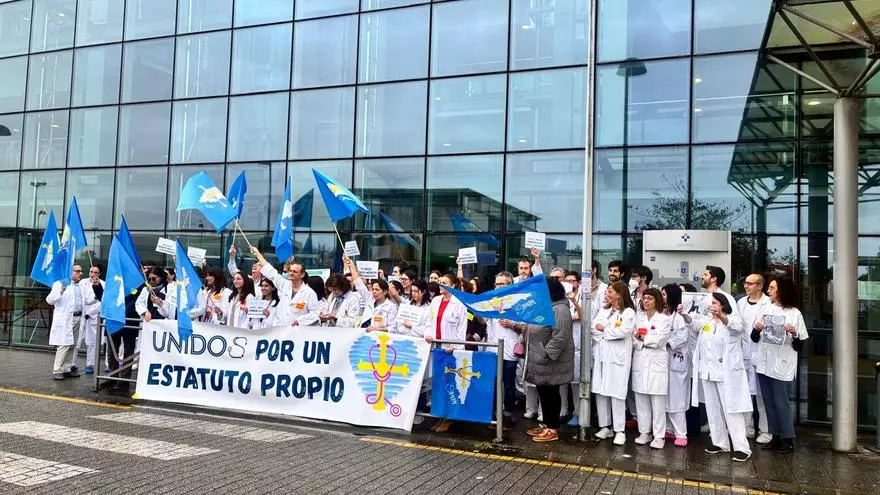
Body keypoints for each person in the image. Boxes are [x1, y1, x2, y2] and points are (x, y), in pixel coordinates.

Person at [683, 292, 752, 462]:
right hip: (707, 372)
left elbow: (736, 327)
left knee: (731, 410)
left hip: (725, 374)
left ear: (722, 304)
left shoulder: (732, 319)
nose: (711, 306)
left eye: (714, 302)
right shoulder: (707, 320)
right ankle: (720, 442)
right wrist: (684, 315)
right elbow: (695, 324)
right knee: (713, 409)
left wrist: (722, 316)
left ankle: (742, 447)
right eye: (710, 303)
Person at [751, 276, 809, 454]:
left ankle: (788, 438)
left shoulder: (795, 313)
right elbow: (753, 338)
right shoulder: (765, 309)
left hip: (782, 364)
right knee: (768, 401)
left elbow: (800, 346)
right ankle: (775, 436)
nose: (768, 290)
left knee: (781, 402)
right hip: (764, 362)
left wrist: (795, 334)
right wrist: (757, 329)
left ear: (781, 290)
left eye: (772, 288)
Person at [524, 278, 574, 443]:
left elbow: (560, 336)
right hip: (539, 360)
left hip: (551, 361)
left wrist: (546, 354)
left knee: (551, 394)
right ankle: (546, 424)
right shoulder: (546, 307)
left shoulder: (560, 309)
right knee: (543, 393)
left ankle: (552, 429)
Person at [592, 281, 636, 445]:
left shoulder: (628, 312)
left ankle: (619, 430)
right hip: (602, 355)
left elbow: (624, 331)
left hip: (618, 358)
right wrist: (604, 333)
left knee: (616, 394)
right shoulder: (605, 310)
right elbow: (593, 327)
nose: (607, 294)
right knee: (601, 392)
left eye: (610, 291)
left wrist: (605, 331)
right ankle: (605, 426)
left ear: (619, 293)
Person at [427, 272, 468, 433]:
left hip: (450, 350)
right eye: (440, 282)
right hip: (436, 348)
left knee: (449, 384)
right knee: (438, 383)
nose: (440, 285)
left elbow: (461, 329)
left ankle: (449, 418)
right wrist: (428, 335)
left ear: (452, 285)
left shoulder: (459, 303)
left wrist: (456, 347)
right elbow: (429, 322)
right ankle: (440, 415)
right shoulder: (436, 301)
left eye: (444, 282)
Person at [631, 287, 671, 449]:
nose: (646, 301)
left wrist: (643, 338)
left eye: (650, 298)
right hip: (640, 360)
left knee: (657, 402)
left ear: (657, 301)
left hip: (657, 362)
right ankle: (644, 432)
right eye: (644, 298)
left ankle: (659, 435)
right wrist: (644, 339)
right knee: (641, 399)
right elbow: (633, 338)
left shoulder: (664, 319)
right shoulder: (638, 318)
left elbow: (660, 340)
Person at [737, 273, 772, 443]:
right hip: (743, 353)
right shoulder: (740, 303)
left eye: (750, 283)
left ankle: (765, 430)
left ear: (760, 286)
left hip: (761, 354)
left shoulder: (769, 304)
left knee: (761, 396)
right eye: (745, 283)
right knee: (744, 393)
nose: (746, 286)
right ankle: (747, 428)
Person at [46, 265, 94, 380]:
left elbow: (87, 300)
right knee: (64, 344)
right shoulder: (59, 283)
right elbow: (50, 300)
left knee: (73, 344)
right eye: (77, 271)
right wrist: (61, 291)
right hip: (66, 319)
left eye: (81, 271)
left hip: (78, 317)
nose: (80, 273)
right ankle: (57, 369)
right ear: (70, 272)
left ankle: (67, 368)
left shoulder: (80, 286)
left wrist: (98, 294)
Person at [250, 247, 320, 326]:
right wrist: (258, 254)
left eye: (295, 271)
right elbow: (271, 272)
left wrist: (299, 321)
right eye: (290, 271)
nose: (291, 273)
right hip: (281, 330)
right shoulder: (284, 285)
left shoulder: (309, 293)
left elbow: (315, 314)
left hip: (298, 332)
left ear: (302, 274)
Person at [486, 272, 520, 429]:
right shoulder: (491, 301)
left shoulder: (517, 301)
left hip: (509, 350)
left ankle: (508, 416)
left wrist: (512, 324)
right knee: (493, 384)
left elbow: (525, 326)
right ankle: (495, 415)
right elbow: (484, 321)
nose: (499, 287)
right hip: (493, 349)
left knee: (508, 385)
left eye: (502, 284)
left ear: (510, 285)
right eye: (497, 284)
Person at [662, 284, 692, 447]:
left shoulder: (680, 317)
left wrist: (667, 342)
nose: (662, 297)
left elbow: (682, 336)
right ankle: (668, 428)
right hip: (663, 361)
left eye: (665, 294)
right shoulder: (662, 313)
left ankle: (681, 433)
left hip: (676, 360)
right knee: (664, 395)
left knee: (676, 397)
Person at [344, 255, 398, 332]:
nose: (374, 292)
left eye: (377, 290)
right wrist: (351, 266)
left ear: (385, 292)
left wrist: (377, 330)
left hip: (379, 338)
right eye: (373, 289)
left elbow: (393, 328)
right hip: (363, 334)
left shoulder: (391, 307)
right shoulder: (369, 298)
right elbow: (358, 284)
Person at [73, 264, 104, 375]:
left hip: (94, 316)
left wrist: (89, 312)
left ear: (99, 274)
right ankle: (72, 364)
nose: (92, 274)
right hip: (81, 313)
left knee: (92, 342)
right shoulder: (82, 282)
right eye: (91, 271)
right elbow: (78, 298)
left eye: (95, 272)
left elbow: (102, 302)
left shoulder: (103, 284)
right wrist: (83, 311)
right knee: (76, 340)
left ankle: (90, 364)